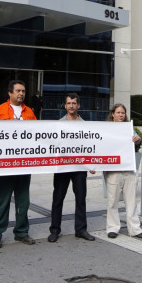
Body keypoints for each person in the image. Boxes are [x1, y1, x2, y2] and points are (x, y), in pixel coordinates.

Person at [0, 80, 36, 247]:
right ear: (10, 93)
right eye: (18, 91)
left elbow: (37, 135)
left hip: (24, 165)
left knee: (23, 201)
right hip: (4, 165)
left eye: (23, 91)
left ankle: (22, 232)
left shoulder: (29, 112)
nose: (21, 94)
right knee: (2, 200)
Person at [47, 93, 95, 242]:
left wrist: (91, 164)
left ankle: (81, 229)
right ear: (65, 106)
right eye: (69, 103)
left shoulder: (85, 125)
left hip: (79, 167)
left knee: (81, 198)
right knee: (58, 199)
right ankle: (55, 230)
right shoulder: (58, 125)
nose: (71, 106)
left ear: (78, 105)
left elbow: (89, 147)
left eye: (74, 103)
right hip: (62, 167)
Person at [104, 103, 142, 239]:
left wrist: (138, 139)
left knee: (131, 201)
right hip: (113, 171)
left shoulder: (129, 128)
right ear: (112, 114)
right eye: (118, 112)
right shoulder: (106, 129)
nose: (121, 115)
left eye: (122, 113)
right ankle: (113, 228)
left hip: (129, 169)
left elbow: (138, 141)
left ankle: (134, 229)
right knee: (112, 201)